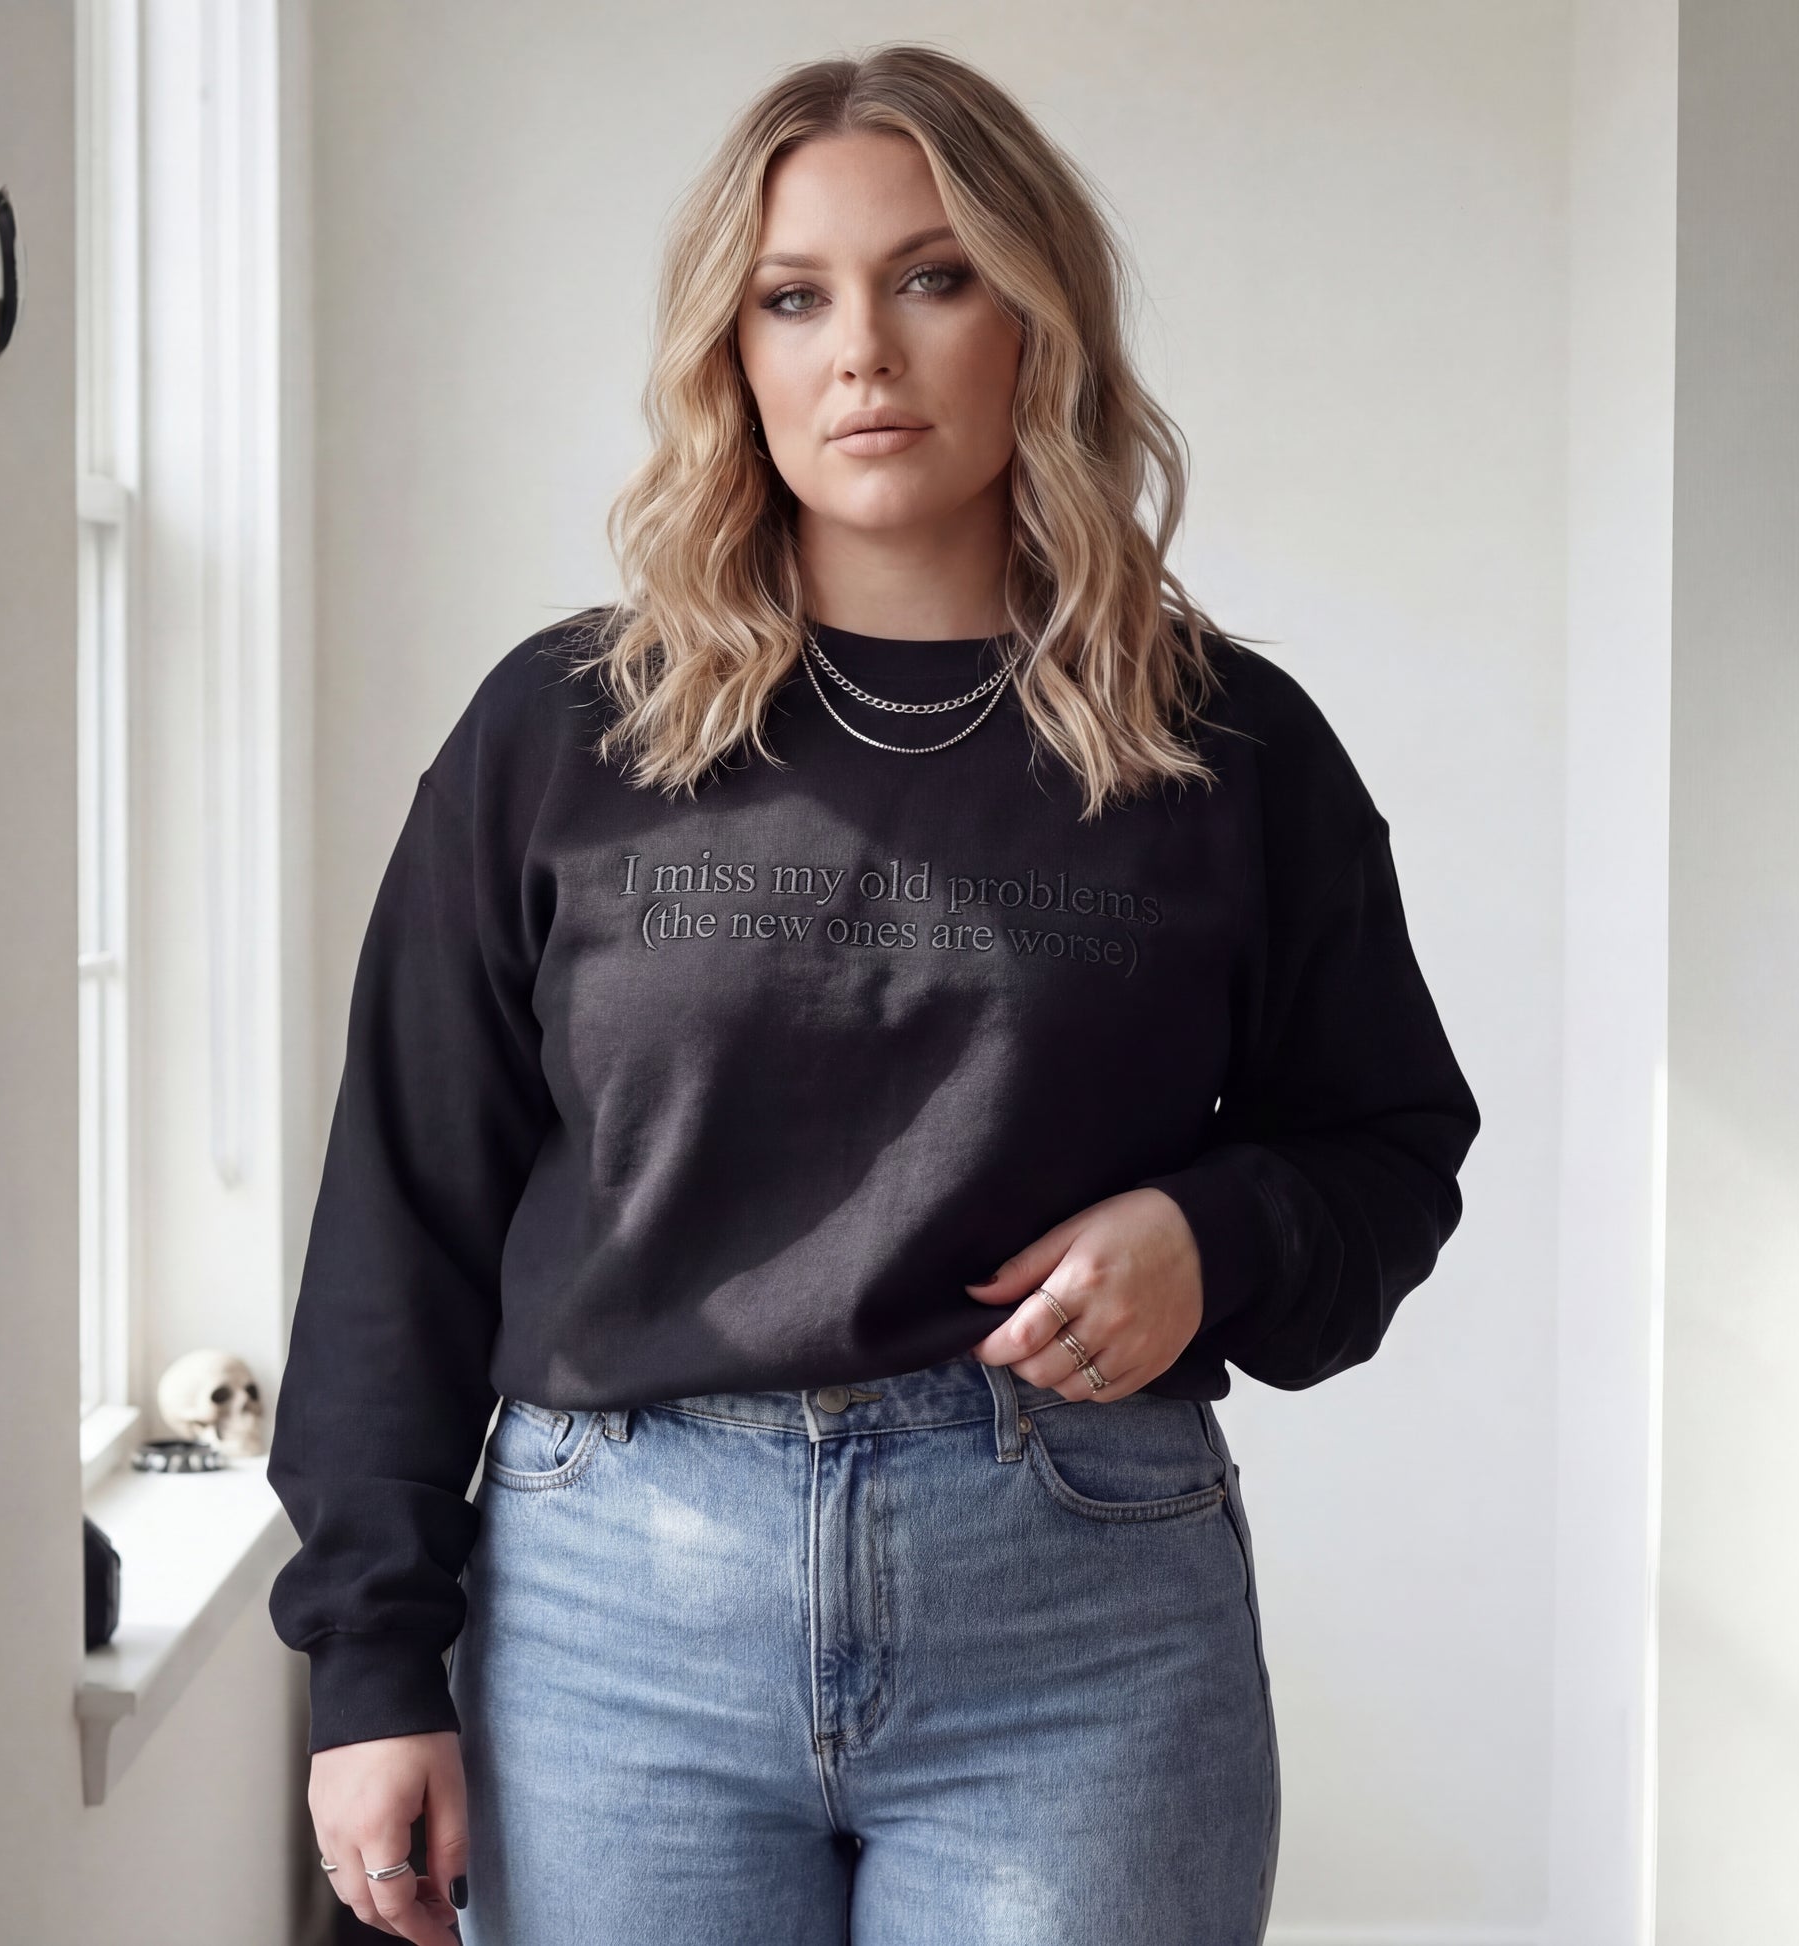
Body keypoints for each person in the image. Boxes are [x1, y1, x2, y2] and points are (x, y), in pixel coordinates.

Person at [268, 42, 1481, 1946]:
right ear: (729, 352)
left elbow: (1392, 1147)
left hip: (1076, 1621)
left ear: (1036, 322)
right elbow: (401, 1212)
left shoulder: (1223, 747)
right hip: (614, 1623)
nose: (862, 353)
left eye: (932, 277)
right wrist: (367, 1662)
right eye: (793, 297)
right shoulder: (564, 734)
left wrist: (1211, 1238)